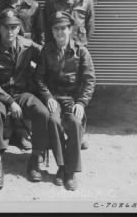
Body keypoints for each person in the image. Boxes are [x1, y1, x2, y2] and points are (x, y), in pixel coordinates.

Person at [0, 8, 50, 190]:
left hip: (22, 92)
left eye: (14, 27)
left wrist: (38, 76)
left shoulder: (28, 45)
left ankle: (35, 158)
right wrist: (9, 101)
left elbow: (47, 56)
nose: (10, 31)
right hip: (0, 94)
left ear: (19, 28)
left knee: (42, 112)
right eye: (6, 27)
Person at [35, 11, 96, 191]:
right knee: (53, 121)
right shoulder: (47, 50)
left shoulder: (81, 51)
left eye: (63, 28)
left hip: (72, 99)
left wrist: (81, 103)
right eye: (56, 29)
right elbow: (39, 78)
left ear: (70, 29)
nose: (60, 33)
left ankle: (71, 172)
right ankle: (61, 167)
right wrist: (47, 97)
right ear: (52, 31)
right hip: (54, 97)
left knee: (75, 124)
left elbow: (89, 80)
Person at [0, 0, 43, 151]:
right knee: (6, 92)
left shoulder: (33, 7)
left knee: (25, 93)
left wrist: (35, 60)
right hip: (4, 59)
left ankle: (22, 132)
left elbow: (40, 36)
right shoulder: (0, 7)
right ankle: (8, 130)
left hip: (26, 59)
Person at [42, 0, 95, 149]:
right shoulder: (53, 1)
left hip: (78, 54)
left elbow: (89, 29)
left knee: (79, 93)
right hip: (57, 52)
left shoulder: (87, 2)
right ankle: (56, 132)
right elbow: (48, 30)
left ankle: (79, 132)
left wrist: (80, 49)